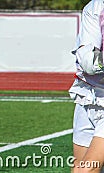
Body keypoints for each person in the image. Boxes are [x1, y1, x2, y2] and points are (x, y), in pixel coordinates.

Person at [69, 0, 104, 172]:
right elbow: (88, 63)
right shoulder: (95, 6)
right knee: (78, 168)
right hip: (88, 95)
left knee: (86, 169)